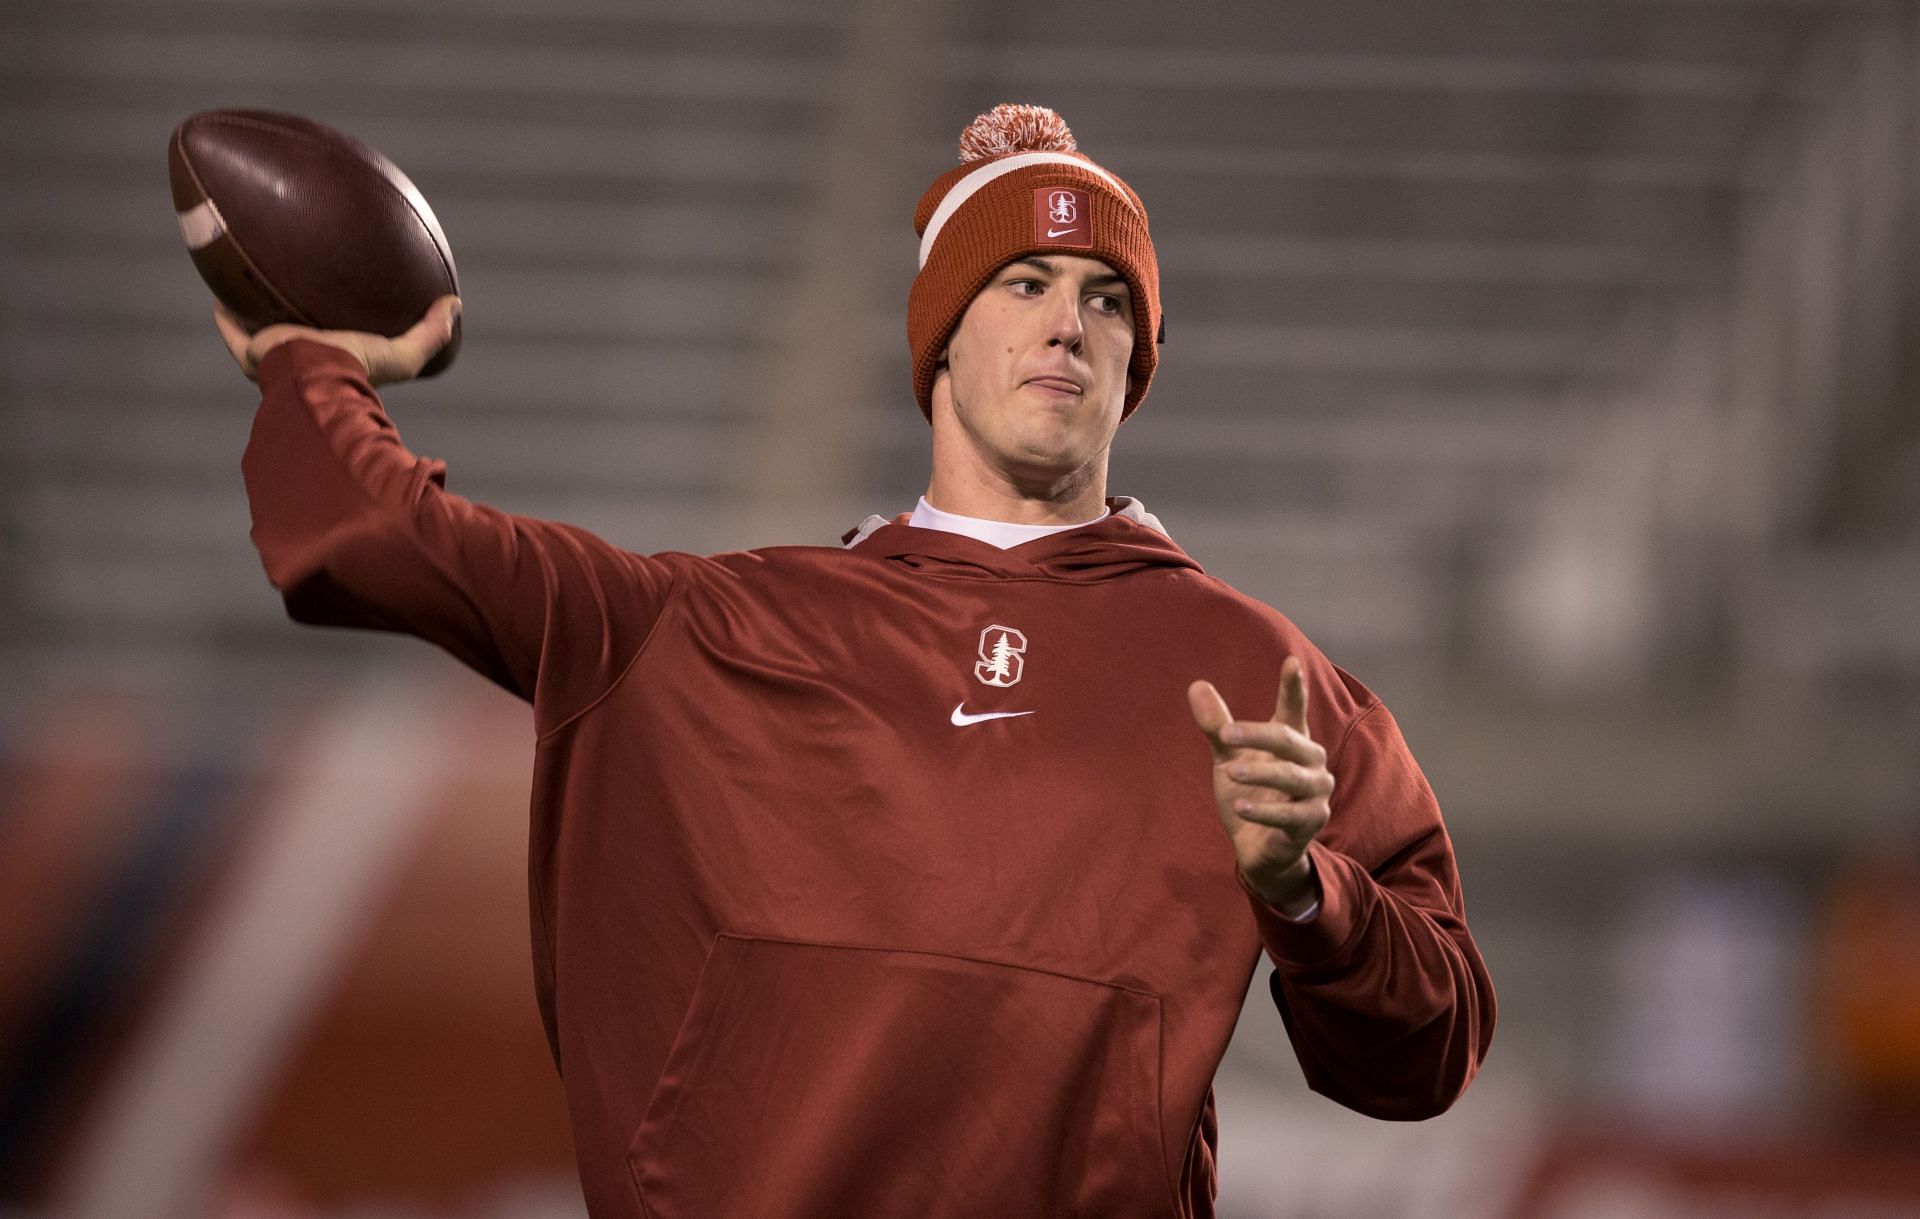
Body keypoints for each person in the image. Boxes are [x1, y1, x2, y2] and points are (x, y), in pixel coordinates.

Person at [216, 103, 1495, 1219]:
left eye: (1110, 300)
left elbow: (1429, 1051)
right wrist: (311, 355)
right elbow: (370, 537)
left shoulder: (1251, 670)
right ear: (940, 340)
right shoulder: (721, 626)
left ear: (1137, 367)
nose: (1071, 324)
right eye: (1026, 282)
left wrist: (1306, 896)